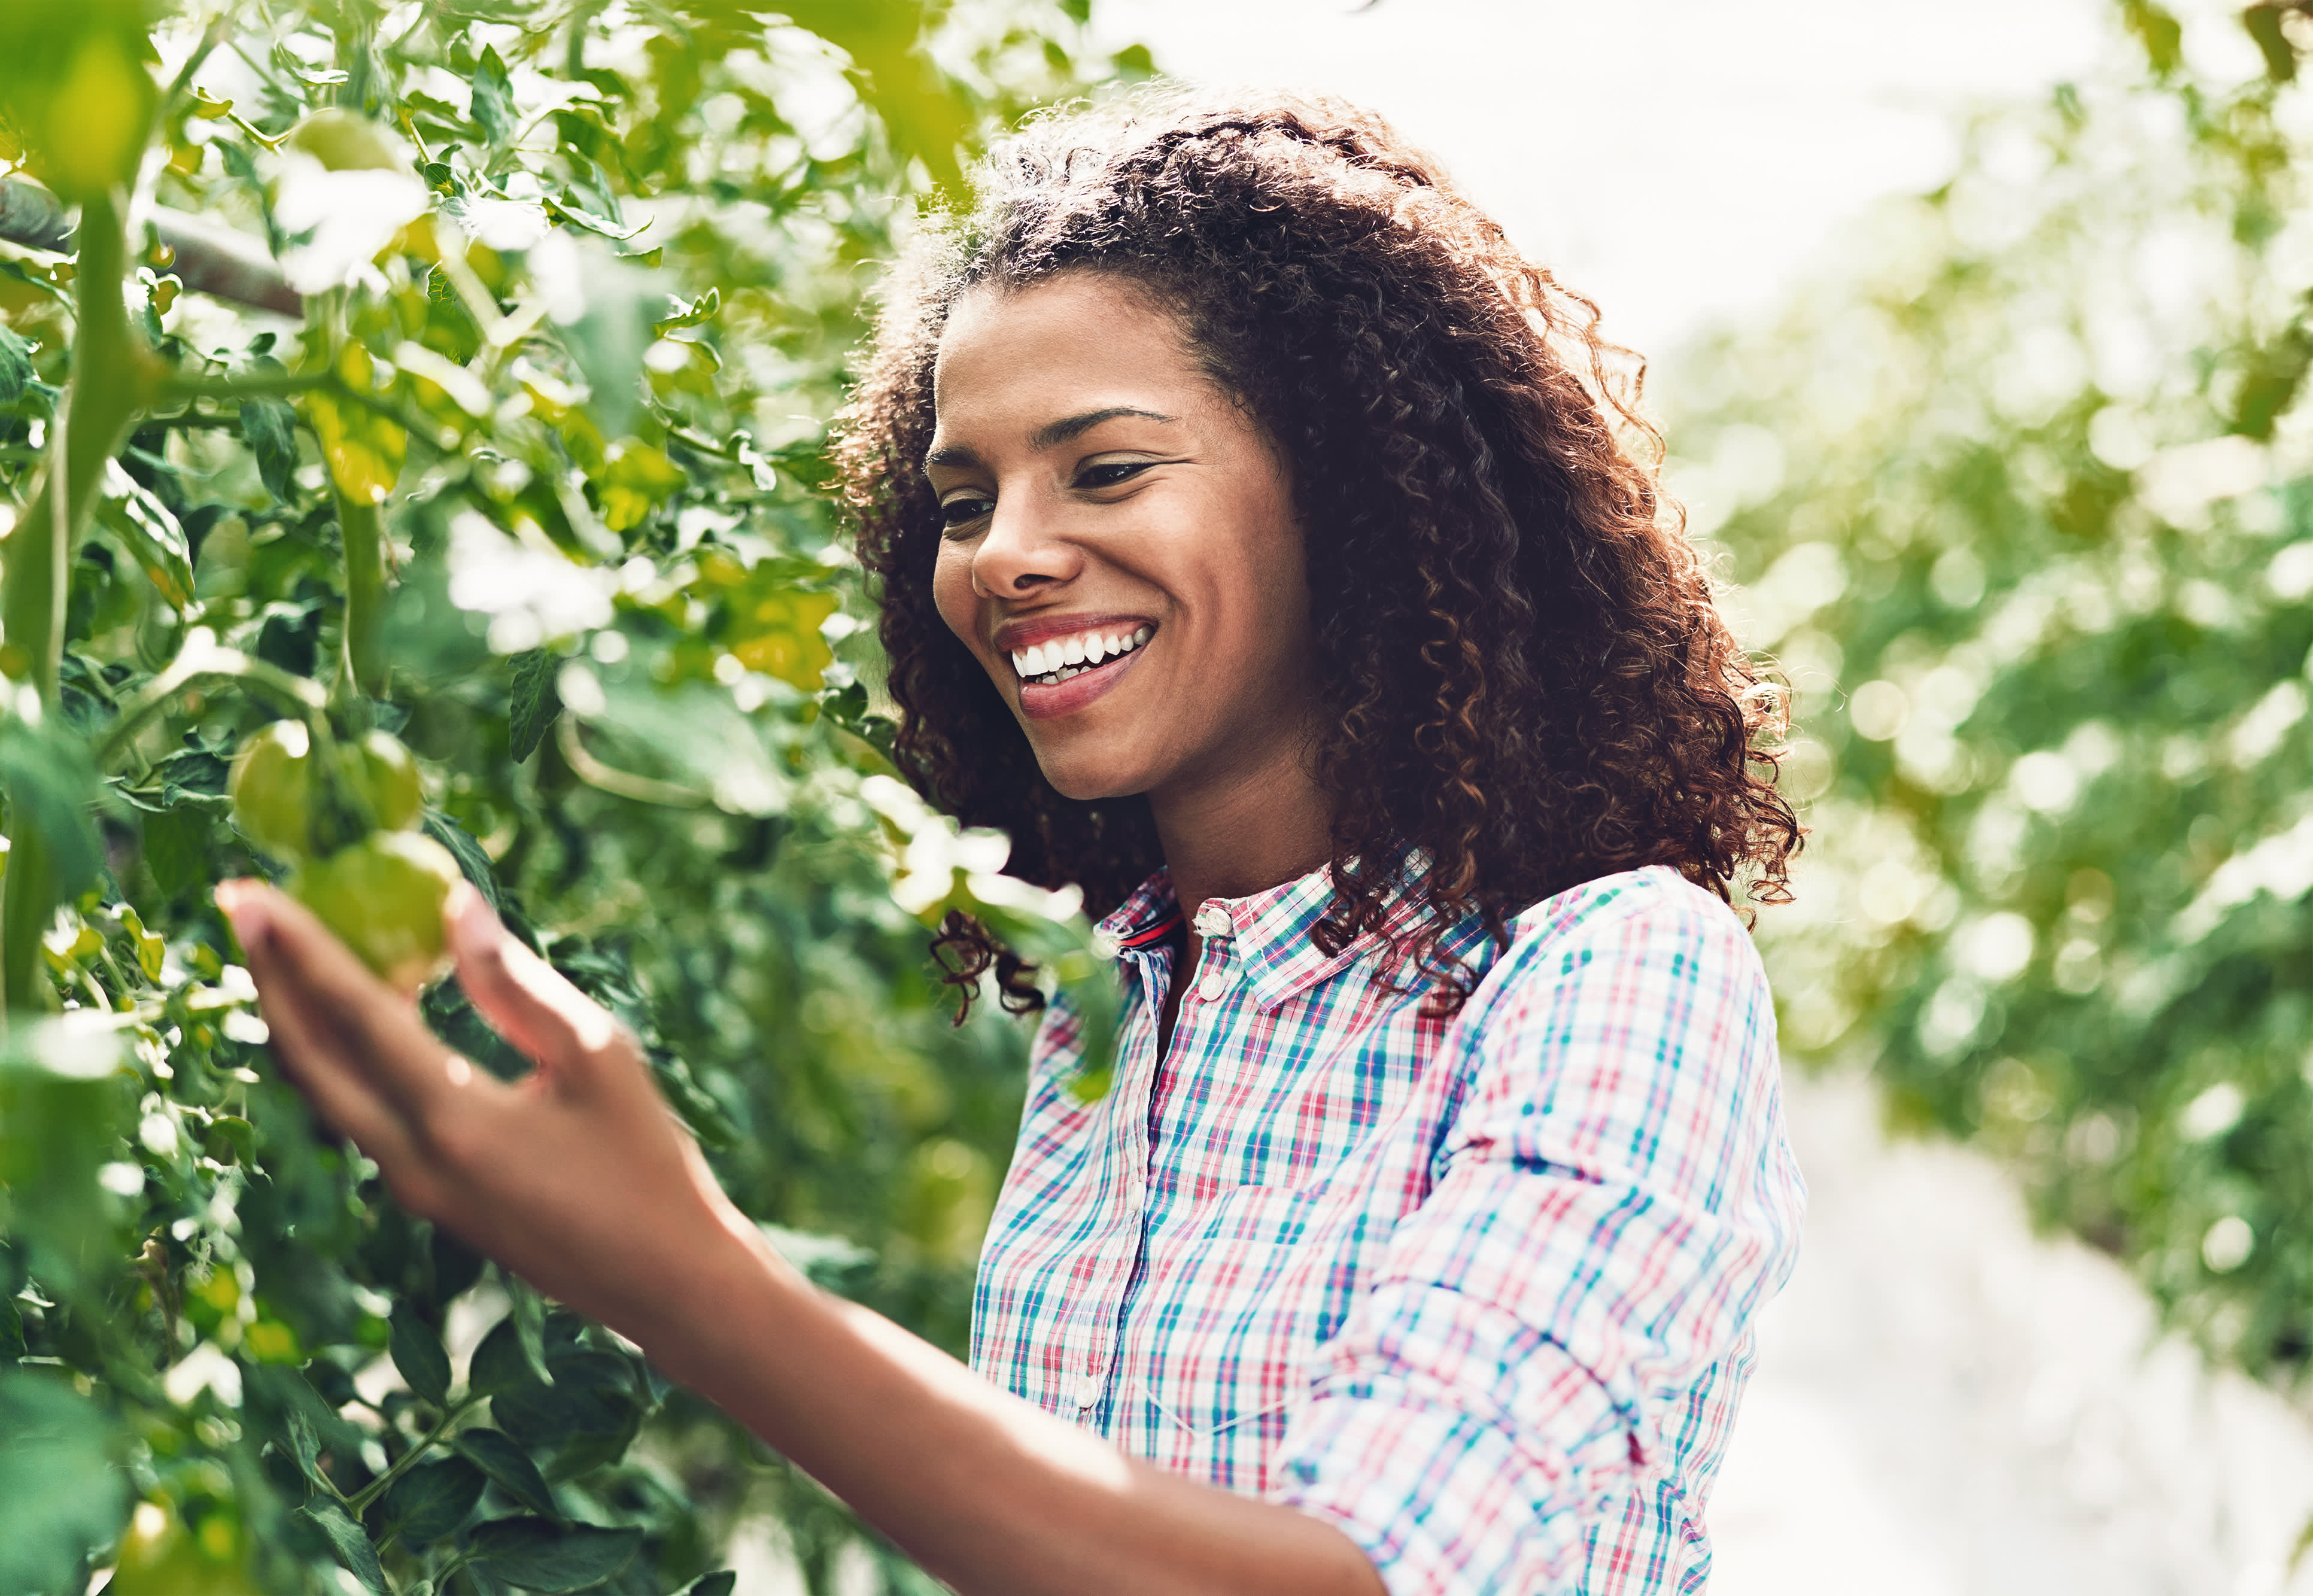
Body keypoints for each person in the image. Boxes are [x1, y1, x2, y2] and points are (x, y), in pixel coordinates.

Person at [220, 89, 1806, 1596]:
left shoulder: (1610, 973)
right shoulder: (1122, 987)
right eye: (963, 501)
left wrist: (689, 1276)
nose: (1008, 558)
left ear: (1343, 495)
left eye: (1105, 470)